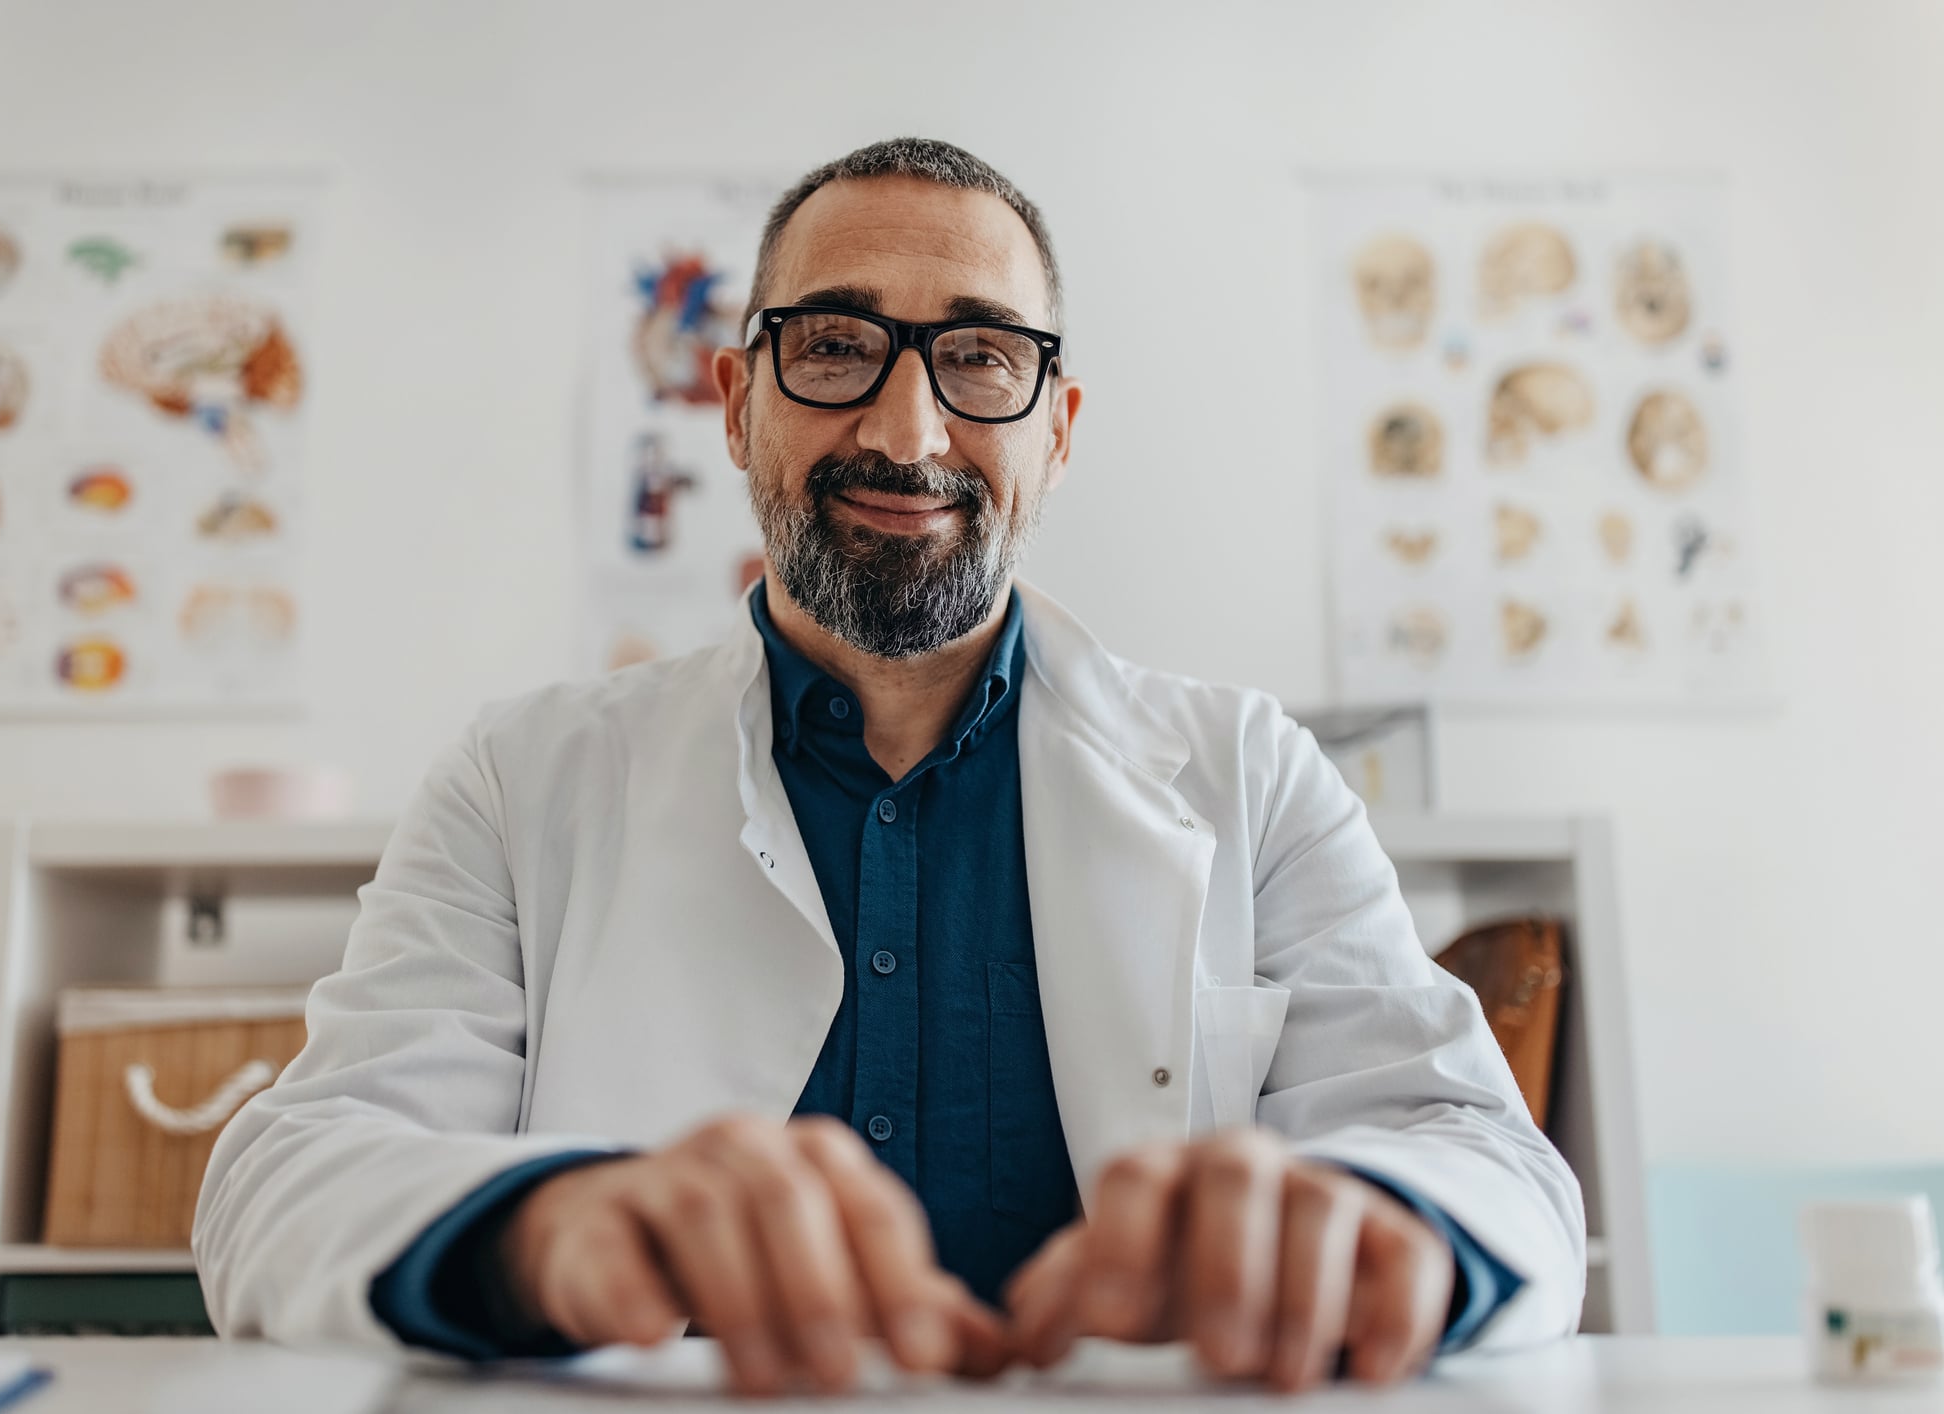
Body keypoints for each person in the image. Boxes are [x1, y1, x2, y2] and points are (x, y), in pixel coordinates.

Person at [195, 138, 1585, 1396]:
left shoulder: (1248, 774)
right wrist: (552, 1226)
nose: (907, 431)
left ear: (1058, 426)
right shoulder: (524, 779)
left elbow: (1495, 1167)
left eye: (980, 357)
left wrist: (1369, 1221)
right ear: (737, 404)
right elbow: (283, 1186)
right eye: (839, 343)